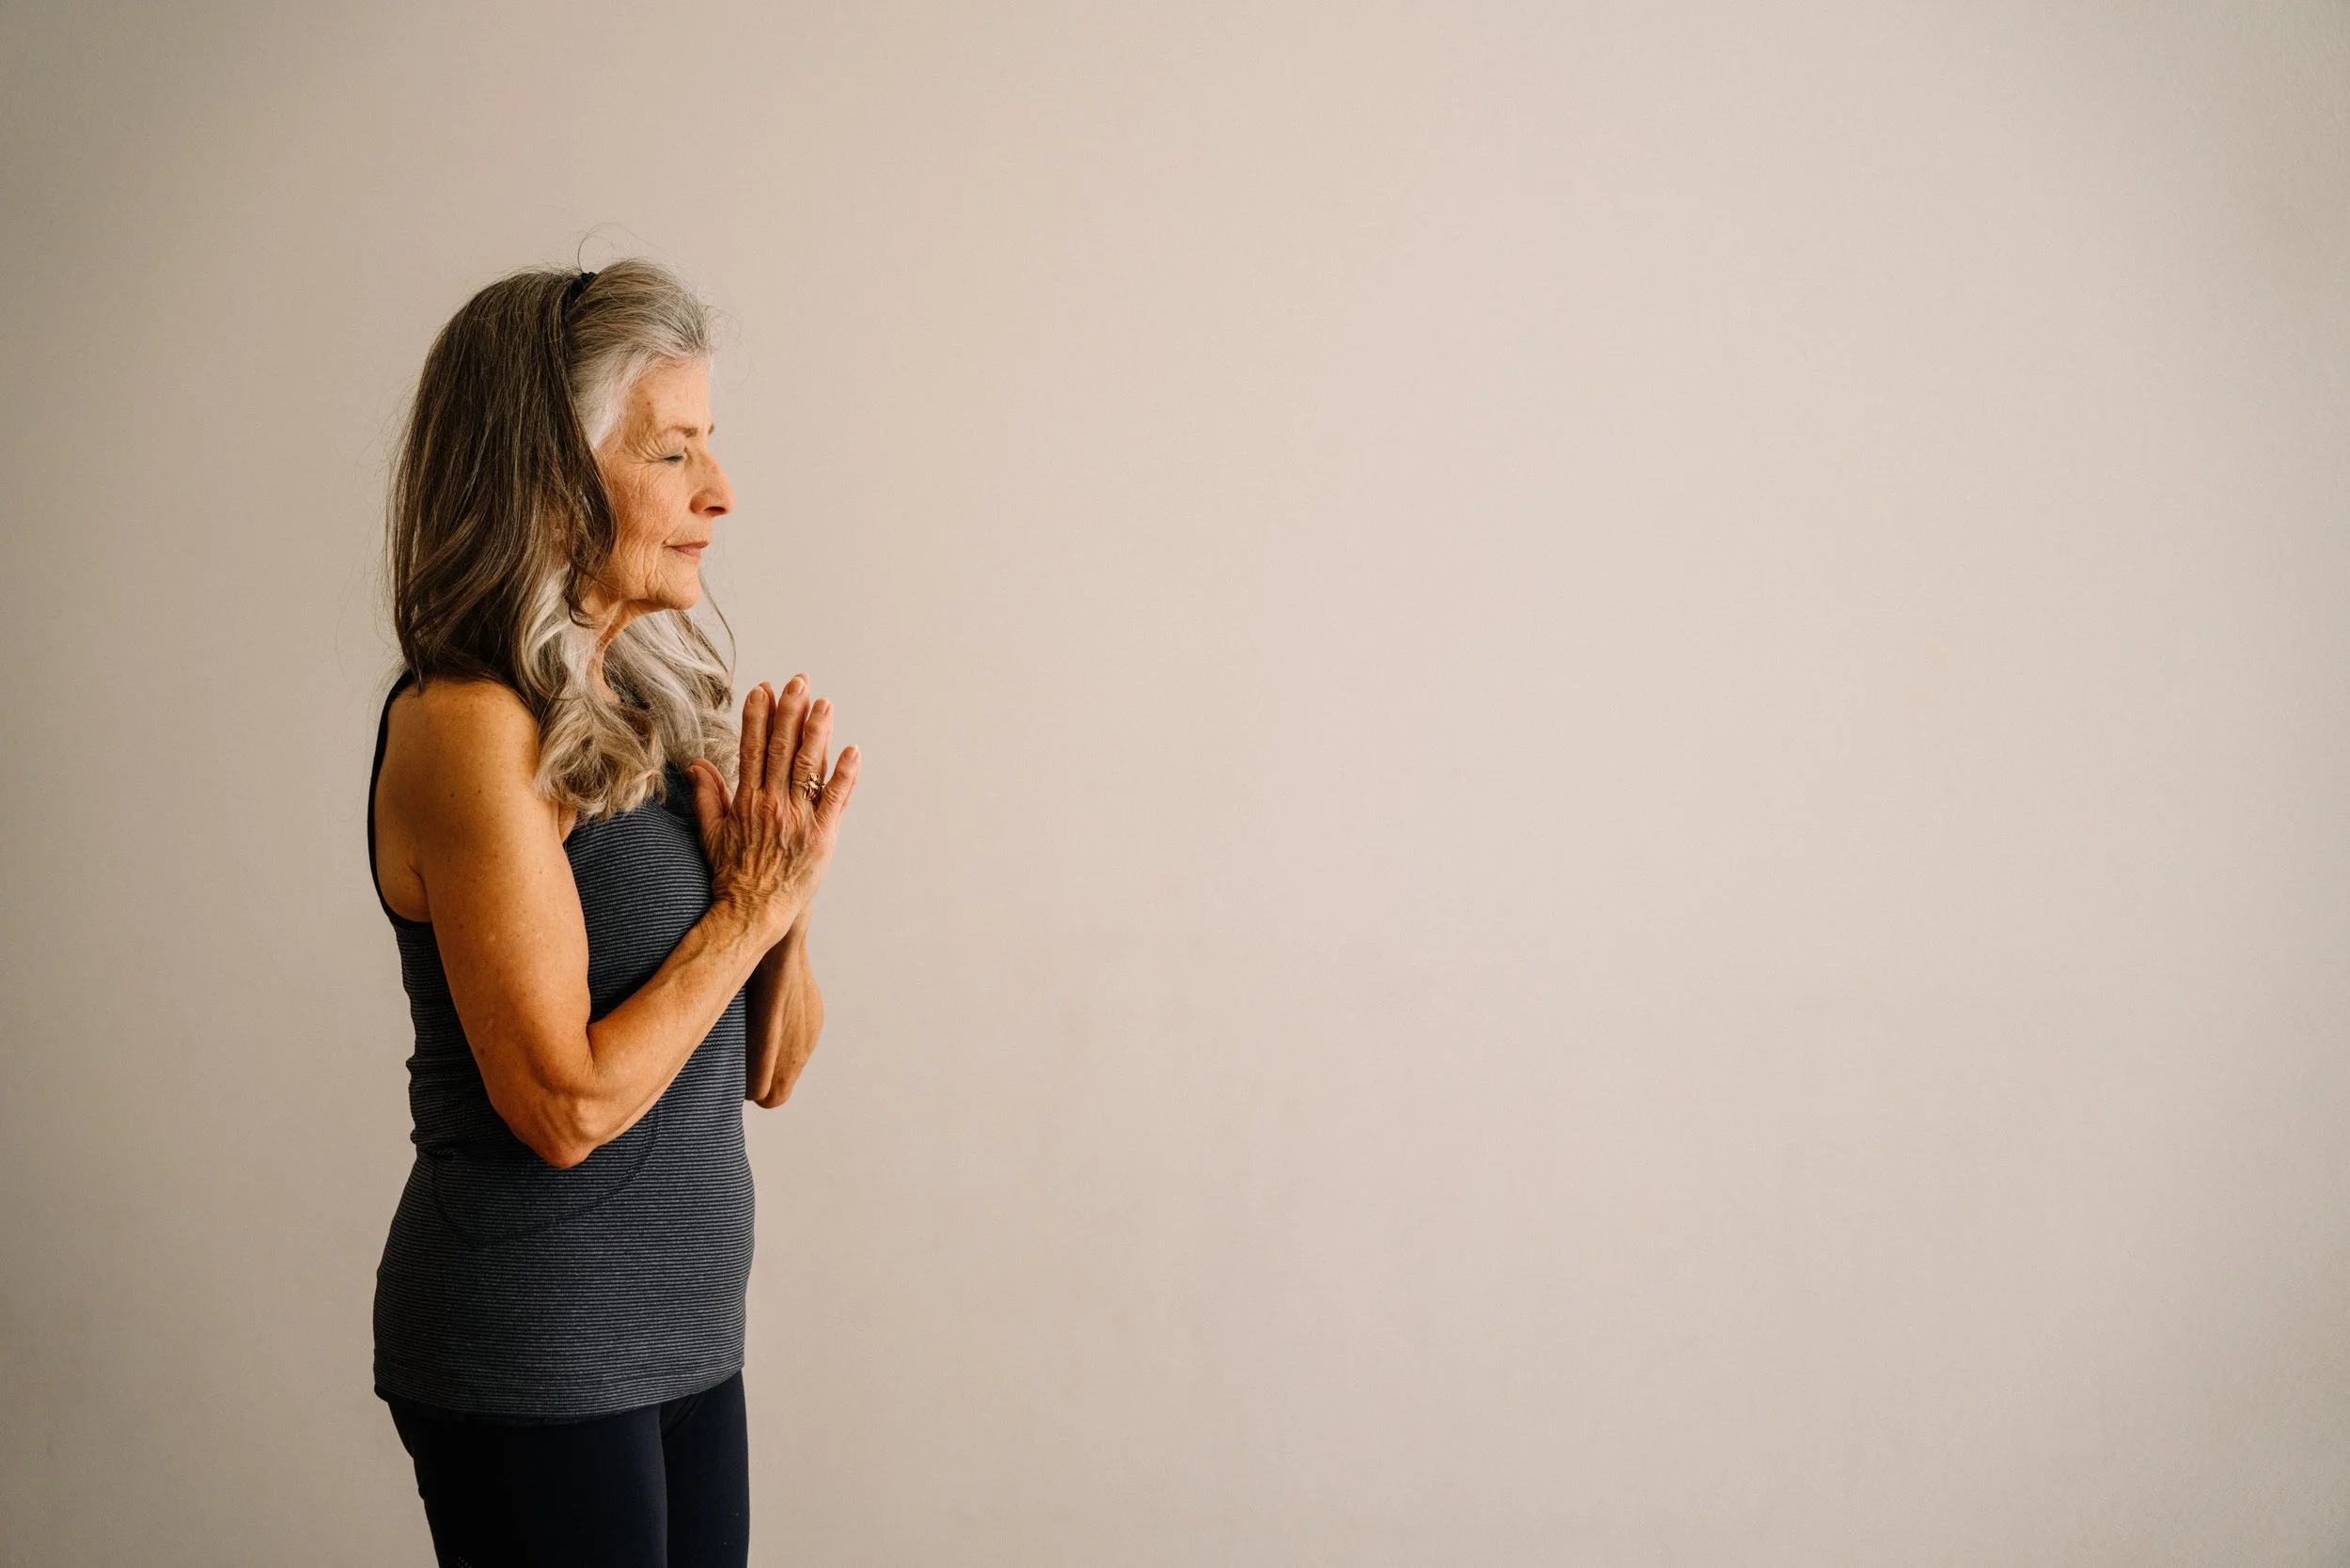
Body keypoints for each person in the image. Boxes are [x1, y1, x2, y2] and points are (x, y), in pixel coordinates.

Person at [364, 258, 859, 1567]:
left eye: (713, 447)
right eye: (674, 452)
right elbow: (565, 1106)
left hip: (691, 1334)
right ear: (550, 475)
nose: (720, 493)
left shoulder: (657, 714)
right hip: (538, 1347)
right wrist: (744, 915)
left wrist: (785, 885)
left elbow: (778, 1066)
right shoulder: (467, 727)